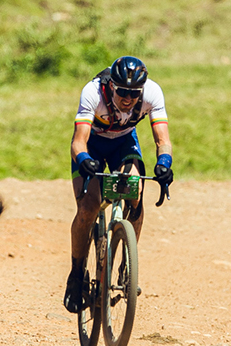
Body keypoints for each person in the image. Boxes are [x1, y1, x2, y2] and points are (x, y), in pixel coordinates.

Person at [63, 55, 174, 313]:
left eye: (134, 93)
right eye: (122, 91)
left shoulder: (153, 93)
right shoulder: (92, 92)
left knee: (135, 189)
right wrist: (84, 160)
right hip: (91, 145)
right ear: (111, 85)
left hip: (123, 144)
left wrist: (164, 163)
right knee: (87, 208)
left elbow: (162, 139)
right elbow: (78, 142)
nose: (128, 98)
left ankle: (127, 265)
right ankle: (76, 274)